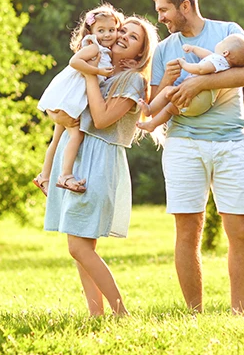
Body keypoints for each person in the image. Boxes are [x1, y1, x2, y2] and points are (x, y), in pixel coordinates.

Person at [150, 0, 244, 314]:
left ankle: (239, 314)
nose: (161, 18)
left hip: (230, 142)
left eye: (164, 10)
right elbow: (152, 103)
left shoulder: (228, 31)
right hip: (183, 142)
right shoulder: (165, 49)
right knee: (187, 229)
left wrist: (200, 82)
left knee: (239, 228)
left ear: (186, 6)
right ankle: (195, 314)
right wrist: (168, 82)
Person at [43, 16, 159, 317]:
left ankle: (121, 313)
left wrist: (91, 74)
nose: (121, 36)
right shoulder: (105, 71)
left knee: (79, 248)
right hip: (81, 155)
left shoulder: (133, 80)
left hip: (100, 160)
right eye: (122, 31)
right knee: (80, 246)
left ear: (139, 54)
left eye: (132, 37)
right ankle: (97, 315)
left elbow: (101, 119)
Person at [33, 5, 123, 194]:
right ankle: (65, 175)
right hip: (69, 99)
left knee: (56, 140)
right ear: (90, 31)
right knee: (76, 135)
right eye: (101, 30)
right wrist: (97, 71)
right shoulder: (93, 47)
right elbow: (74, 62)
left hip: (68, 100)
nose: (107, 34)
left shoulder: (104, 50)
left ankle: (44, 176)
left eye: (112, 30)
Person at [136, 33, 244, 132]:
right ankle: (152, 125)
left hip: (198, 98)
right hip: (202, 104)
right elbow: (206, 55)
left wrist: (184, 64)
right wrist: (193, 49)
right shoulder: (222, 63)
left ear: (225, 52)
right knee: (170, 109)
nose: (220, 42)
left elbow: (200, 69)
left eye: (223, 41)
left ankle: (150, 109)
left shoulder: (217, 61)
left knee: (167, 92)